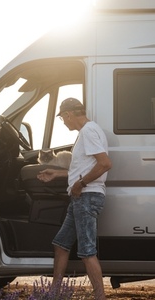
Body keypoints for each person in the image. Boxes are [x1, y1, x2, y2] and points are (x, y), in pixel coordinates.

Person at [37, 98, 112, 300]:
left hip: (86, 197)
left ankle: (100, 297)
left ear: (69, 114)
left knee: (87, 252)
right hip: (80, 197)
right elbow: (85, 167)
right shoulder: (87, 132)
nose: (63, 122)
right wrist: (58, 173)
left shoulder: (88, 132)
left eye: (62, 118)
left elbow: (104, 164)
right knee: (61, 245)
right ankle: (54, 293)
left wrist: (81, 184)